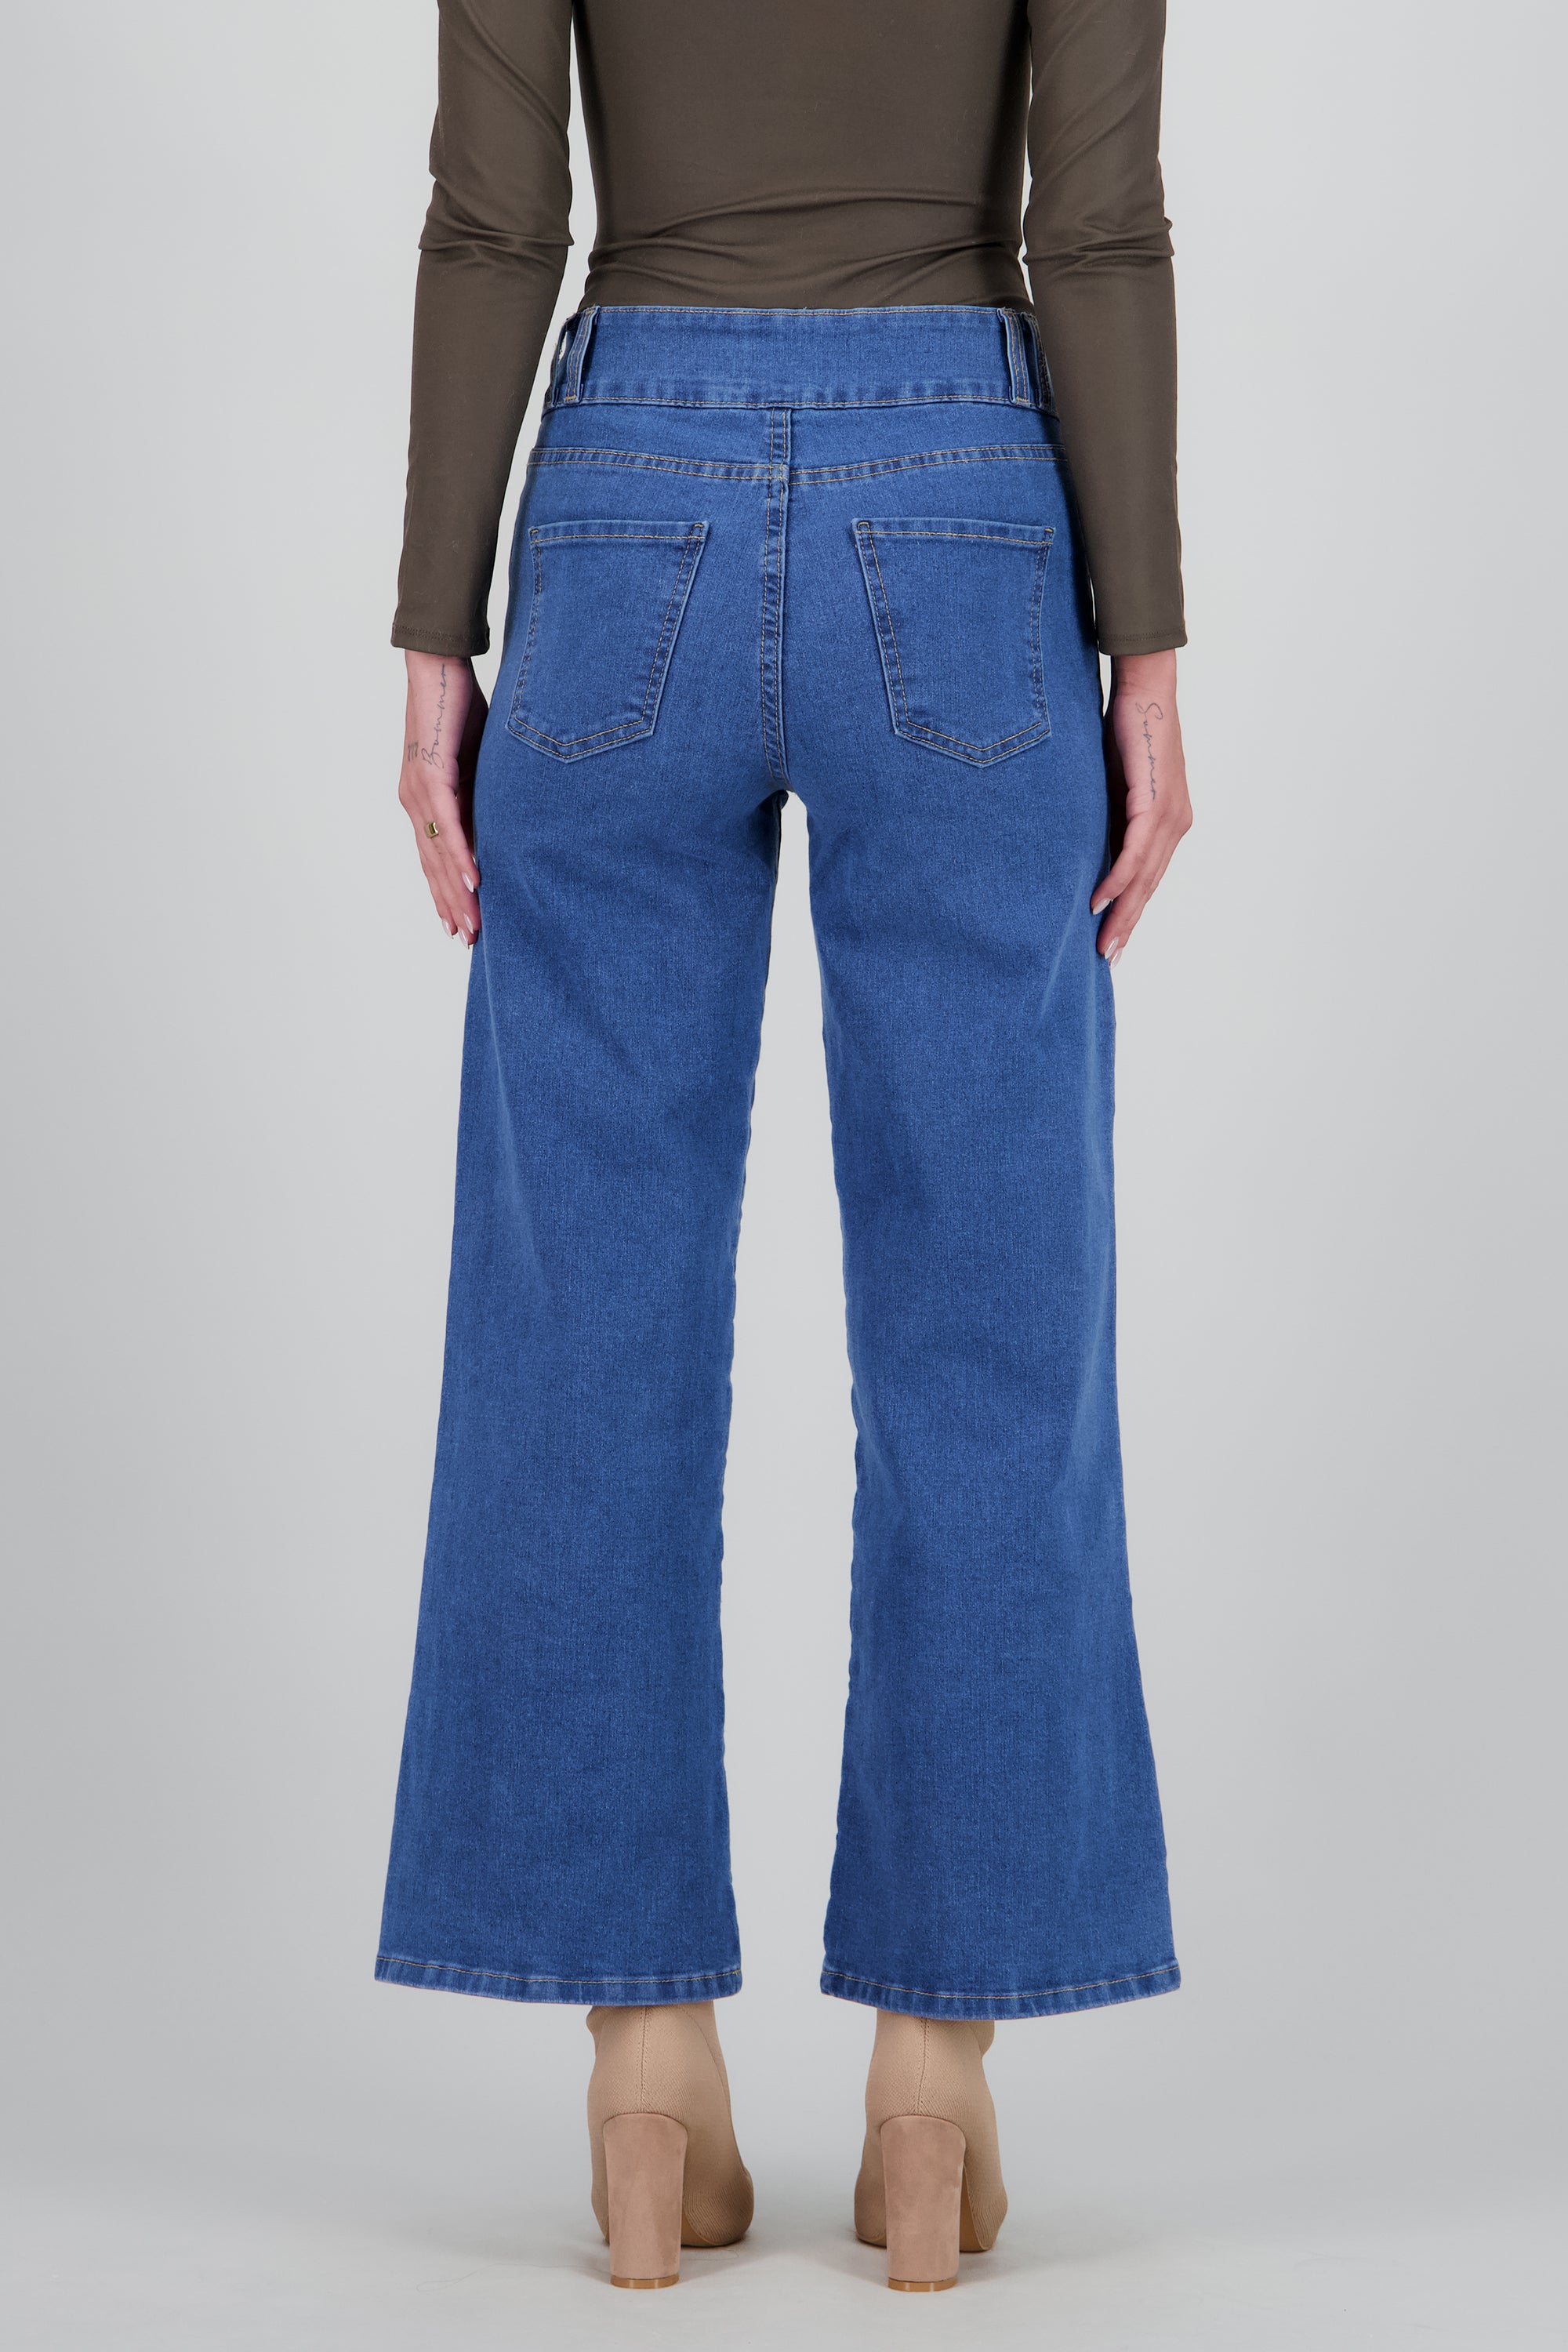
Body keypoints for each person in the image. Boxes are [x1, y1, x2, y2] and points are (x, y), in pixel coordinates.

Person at [379, 0, 1192, 2295]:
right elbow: (1097, 224)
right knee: (995, 1318)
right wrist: (1146, 647)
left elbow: (492, 217)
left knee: (581, 1311)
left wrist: (436, 627)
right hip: (969, 502)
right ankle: (934, 2080)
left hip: (622, 488)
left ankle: (645, 2070)